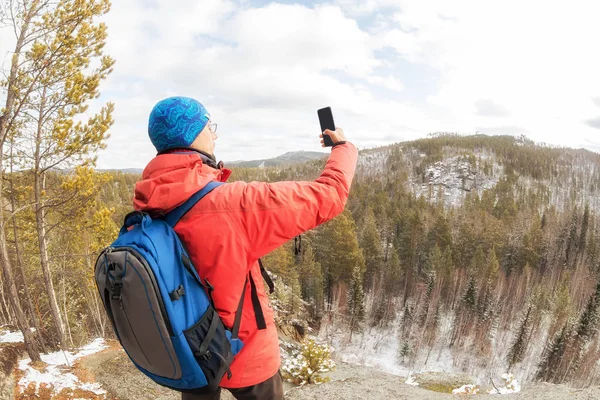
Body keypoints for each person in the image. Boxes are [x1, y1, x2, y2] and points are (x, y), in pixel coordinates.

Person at [133, 96, 358, 400]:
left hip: (189, 351)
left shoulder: (149, 202)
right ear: (193, 135)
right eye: (209, 126)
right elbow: (328, 195)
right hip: (247, 356)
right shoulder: (233, 204)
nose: (214, 134)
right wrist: (343, 148)